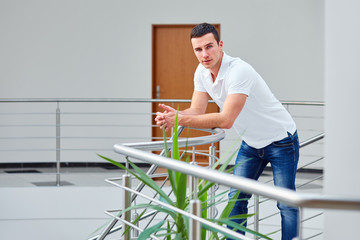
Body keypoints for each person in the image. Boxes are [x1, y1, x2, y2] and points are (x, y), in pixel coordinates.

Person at [155, 23, 299, 240]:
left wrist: (180, 119)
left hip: (281, 140)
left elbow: (226, 120)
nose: (205, 54)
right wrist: (173, 116)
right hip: (251, 143)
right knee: (235, 199)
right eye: (198, 49)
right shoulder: (201, 72)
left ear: (220, 45)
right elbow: (197, 109)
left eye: (209, 46)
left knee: (286, 204)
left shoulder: (239, 71)